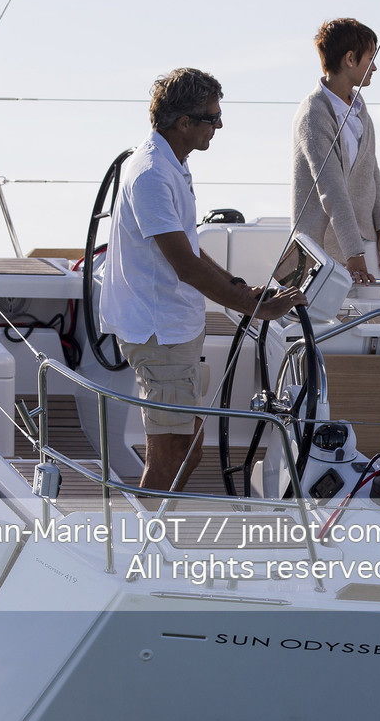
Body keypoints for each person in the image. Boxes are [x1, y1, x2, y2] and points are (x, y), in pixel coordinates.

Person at [100, 67, 304, 492]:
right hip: (161, 336)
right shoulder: (153, 175)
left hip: (173, 332)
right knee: (173, 453)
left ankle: (150, 541)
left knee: (187, 449)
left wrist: (241, 289)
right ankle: (142, 549)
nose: (220, 124)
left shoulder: (169, 164)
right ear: (184, 123)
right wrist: (257, 307)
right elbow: (185, 266)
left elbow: (188, 247)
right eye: (212, 117)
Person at [290, 18, 380, 286]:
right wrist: (354, 254)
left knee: (366, 324)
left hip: (363, 244)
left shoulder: (359, 108)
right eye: (370, 58)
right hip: (324, 250)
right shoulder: (314, 113)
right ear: (350, 59)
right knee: (328, 326)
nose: (375, 67)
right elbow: (331, 188)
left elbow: (372, 172)